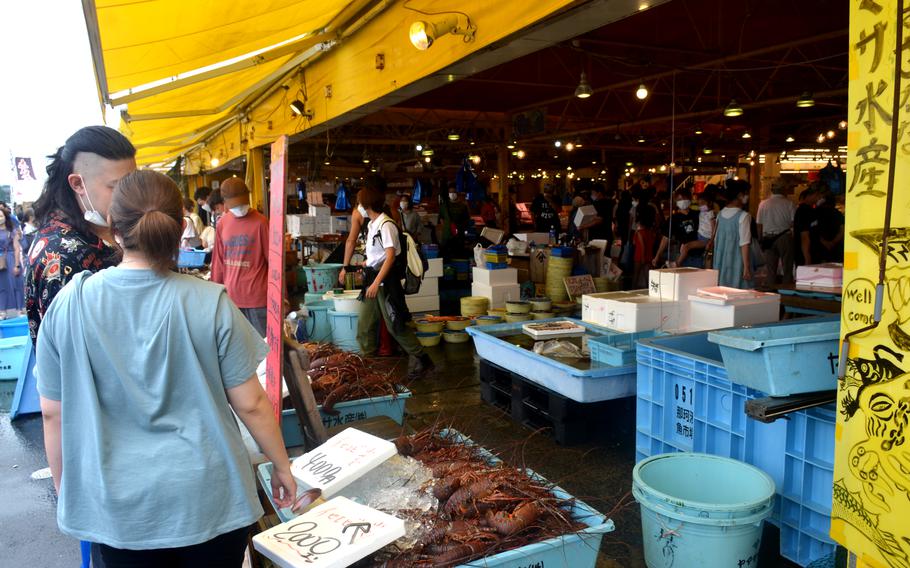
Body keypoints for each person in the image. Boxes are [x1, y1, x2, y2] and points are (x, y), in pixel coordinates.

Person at [37, 170, 295, 568]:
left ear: (114, 230)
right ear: (180, 229)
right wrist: (281, 466)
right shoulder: (210, 302)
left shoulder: (72, 303)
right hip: (209, 498)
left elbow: (53, 413)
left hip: (118, 506)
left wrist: (66, 491)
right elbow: (252, 405)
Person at [26, 125, 136, 344]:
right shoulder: (61, 254)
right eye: (116, 187)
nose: (130, 195)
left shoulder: (106, 229)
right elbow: (74, 354)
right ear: (77, 184)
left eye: (133, 184)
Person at [355, 185, 434, 379]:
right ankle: (367, 363)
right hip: (373, 280)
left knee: (395, 325)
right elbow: (380, 255)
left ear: (367, 204)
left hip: (385, 284)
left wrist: (376, 283)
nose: (358, 208)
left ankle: (423, 359)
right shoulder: (372, 224)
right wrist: (367, 263)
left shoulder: (386, 225)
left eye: (359, 204)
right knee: (364, 324)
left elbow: (390, 258)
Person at [210, 179, 269, 337]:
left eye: (242, 203)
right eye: (235, 204)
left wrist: (281, 296)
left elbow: (274, 263)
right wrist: (215, 295)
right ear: (226, 203)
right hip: (232, 299)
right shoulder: (223, 224)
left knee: (265, 348)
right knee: (240, 351)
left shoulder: (261, 223)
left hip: (258, 300)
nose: (240, 208)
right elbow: (218, 263)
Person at [756, 178, 796, 286]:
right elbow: (793, 224)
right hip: (785, 237)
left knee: (771, 270)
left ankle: (771, 291)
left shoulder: (763, 204)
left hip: (768, 238)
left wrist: (760, 240)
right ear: (784, 190)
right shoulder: (789, 204)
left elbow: (759, 224)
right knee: (787, 268)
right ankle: (786, 290)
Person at [713, 183, 754, 288]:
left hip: (720, 263)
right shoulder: (744, 216)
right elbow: (744, 243)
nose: (748, 197)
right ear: (740, 195)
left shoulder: (720, 215)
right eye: (746, 194)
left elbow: (715, 240)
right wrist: (746, 267)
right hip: (737, 262)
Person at [653, 188, 699, 268]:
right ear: (676, 201)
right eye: (679, 199)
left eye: (684, 198)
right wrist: (658, 256)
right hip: (681, 256)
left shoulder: (697, 215)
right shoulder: (673, 218)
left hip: (698, 255)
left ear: (690, 199)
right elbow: (665, 238)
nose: (683, 201)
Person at [677, 187, 716, 268]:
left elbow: (714, 228)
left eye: (703, 203)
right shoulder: (701, 212)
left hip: (705, 239)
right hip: (700, 237)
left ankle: (677, 263)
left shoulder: (710, 214)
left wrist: (711, 241)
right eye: (699, 204)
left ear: (709, 203)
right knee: (686, 246)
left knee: (688, 246)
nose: (700, 205)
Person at [0, 208, 23, 319]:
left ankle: (19, 310)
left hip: (11, 258)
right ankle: (2, 311)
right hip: (1, 260)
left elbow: (17, 248)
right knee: (2, 286)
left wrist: (17, 264)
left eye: (1, 216)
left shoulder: (12, 231)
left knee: (16, 284)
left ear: (5, 217)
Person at [813, 190, 845, 263]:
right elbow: (842, 230)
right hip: (836, 248)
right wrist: (833, 242)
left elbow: (814, 230)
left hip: (819, 247)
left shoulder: (815, 213)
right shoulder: (838, 214)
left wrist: (824, 242)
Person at [633, 203, 657, 288]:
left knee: (636, 274)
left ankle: (633, 290)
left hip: (640, 256)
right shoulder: (651, 231)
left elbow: (641, 245)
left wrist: (642, 257)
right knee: (648, 276)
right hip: (649, 255)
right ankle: (648, 290)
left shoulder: (639, 232)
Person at [794, 186, 820, 266]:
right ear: (809, 196)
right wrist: (807, 257)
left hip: (810, 252)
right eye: (816, 196)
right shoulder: (803, 211)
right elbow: (804, 236)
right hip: (805, 254)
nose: (818, 198)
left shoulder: (810, 210)